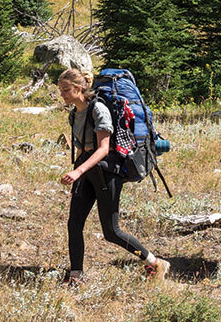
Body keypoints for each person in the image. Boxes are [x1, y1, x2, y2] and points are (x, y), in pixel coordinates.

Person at [57, 68, 168, 285]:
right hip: (86, 172)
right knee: (74, 224)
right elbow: (81, 149)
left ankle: (155, 262)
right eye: (61, 90)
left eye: (66, 90)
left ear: (79, 89)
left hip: (106, 173)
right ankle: (76, 276)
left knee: (111, 231)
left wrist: (78, 171)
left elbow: (103, 149)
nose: (62, 94)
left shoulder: (98, 109)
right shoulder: (74, 114)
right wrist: (78, 176)